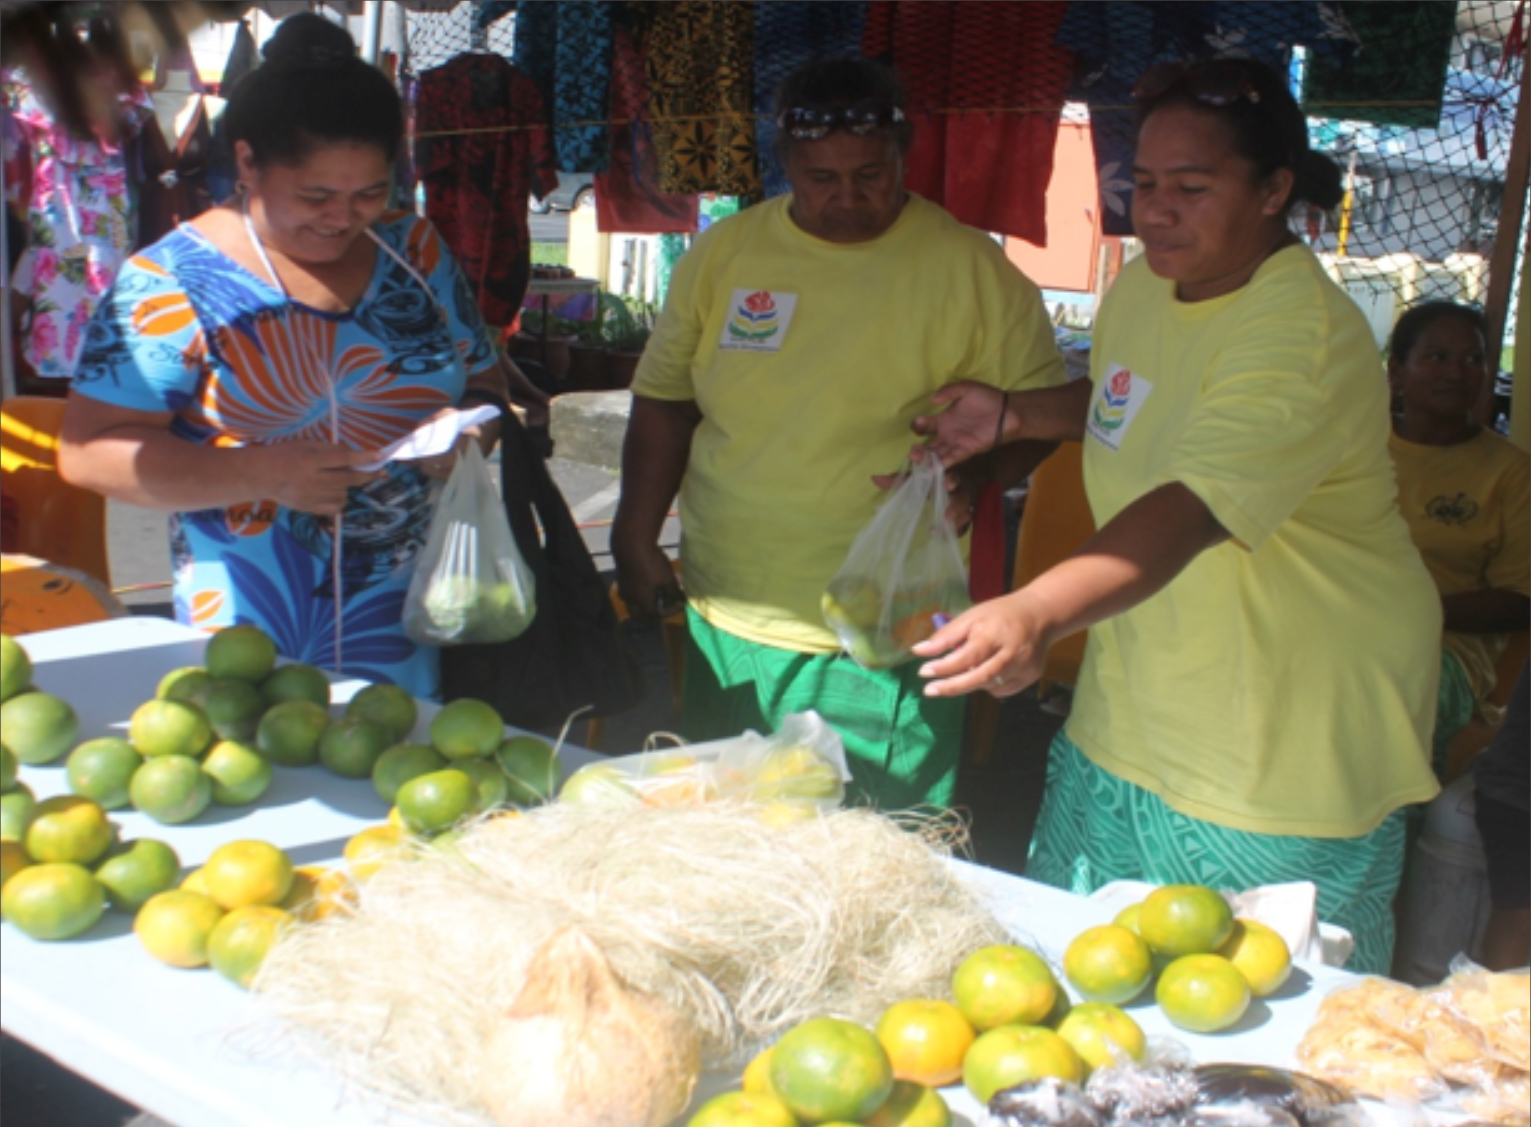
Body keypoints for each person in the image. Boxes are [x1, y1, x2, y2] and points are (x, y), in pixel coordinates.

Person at [912, 57, 1440, 975]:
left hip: (1277, 745)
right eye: (1143, 184)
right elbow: (1128, 402)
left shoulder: (1299, 332)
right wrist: (1015, 414)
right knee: (1082, 992)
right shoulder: (1150, 284)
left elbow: (1193, 505)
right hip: (1137, 706)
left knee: (1247, 1032)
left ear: (1274, 189)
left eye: (1191, 188)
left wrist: (1033, 610)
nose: (1154, 210)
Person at [611, 57, 1065, 812]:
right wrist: (633, 530)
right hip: (728, 601)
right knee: (728, 831)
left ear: (904, 155)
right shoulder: (724, 255)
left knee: (876, 844)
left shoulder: (973, 269)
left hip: (891, 615)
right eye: (820, 177)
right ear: (783, 162)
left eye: (869, 174)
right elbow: (665, 401)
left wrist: (975, 478)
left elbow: (1039, 414)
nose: (846, 197)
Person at [58, 14, 506, 697]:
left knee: (406, 774)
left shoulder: (412, 249)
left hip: (422, 606)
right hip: (250, 625)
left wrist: (471, 437)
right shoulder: (169, 283)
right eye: (315, 195)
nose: (343, 217)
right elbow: (87, 452)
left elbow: (481, 380)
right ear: (246, 163)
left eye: (368, 193)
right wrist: (262, 471)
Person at [1386, 301, 1529, 772]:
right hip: (1341, 630)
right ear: (1397, 371)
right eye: (1438, 357)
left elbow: (1522, 598)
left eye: (1474, 359)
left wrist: (1416, 610)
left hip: (1446, 651)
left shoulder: (1510, 473)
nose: (1458, 372)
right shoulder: (1355, 452)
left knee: (1375, 699)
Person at [1471, 665, 1529, 970]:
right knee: (1518, 917)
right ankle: (1500, 1011)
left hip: (1511, 790)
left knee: (1517, 917)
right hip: (1516, 791)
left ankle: (1499, 1009)